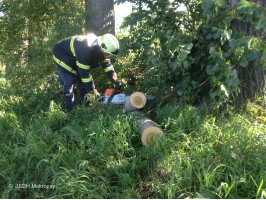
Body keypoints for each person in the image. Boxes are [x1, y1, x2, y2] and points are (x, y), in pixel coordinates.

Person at [52, 33, 122, 110]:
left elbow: (108, 67)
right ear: (102, 48)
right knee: (68, 83)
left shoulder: (102, 49)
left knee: (82, 82)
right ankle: (71, 110)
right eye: (108, 53)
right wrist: (93, 92)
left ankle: (85, 105)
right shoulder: (86, 50)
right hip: (61, 54)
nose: (109, 55)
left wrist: (115, 81)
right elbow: (85, 75)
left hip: (75, 57)